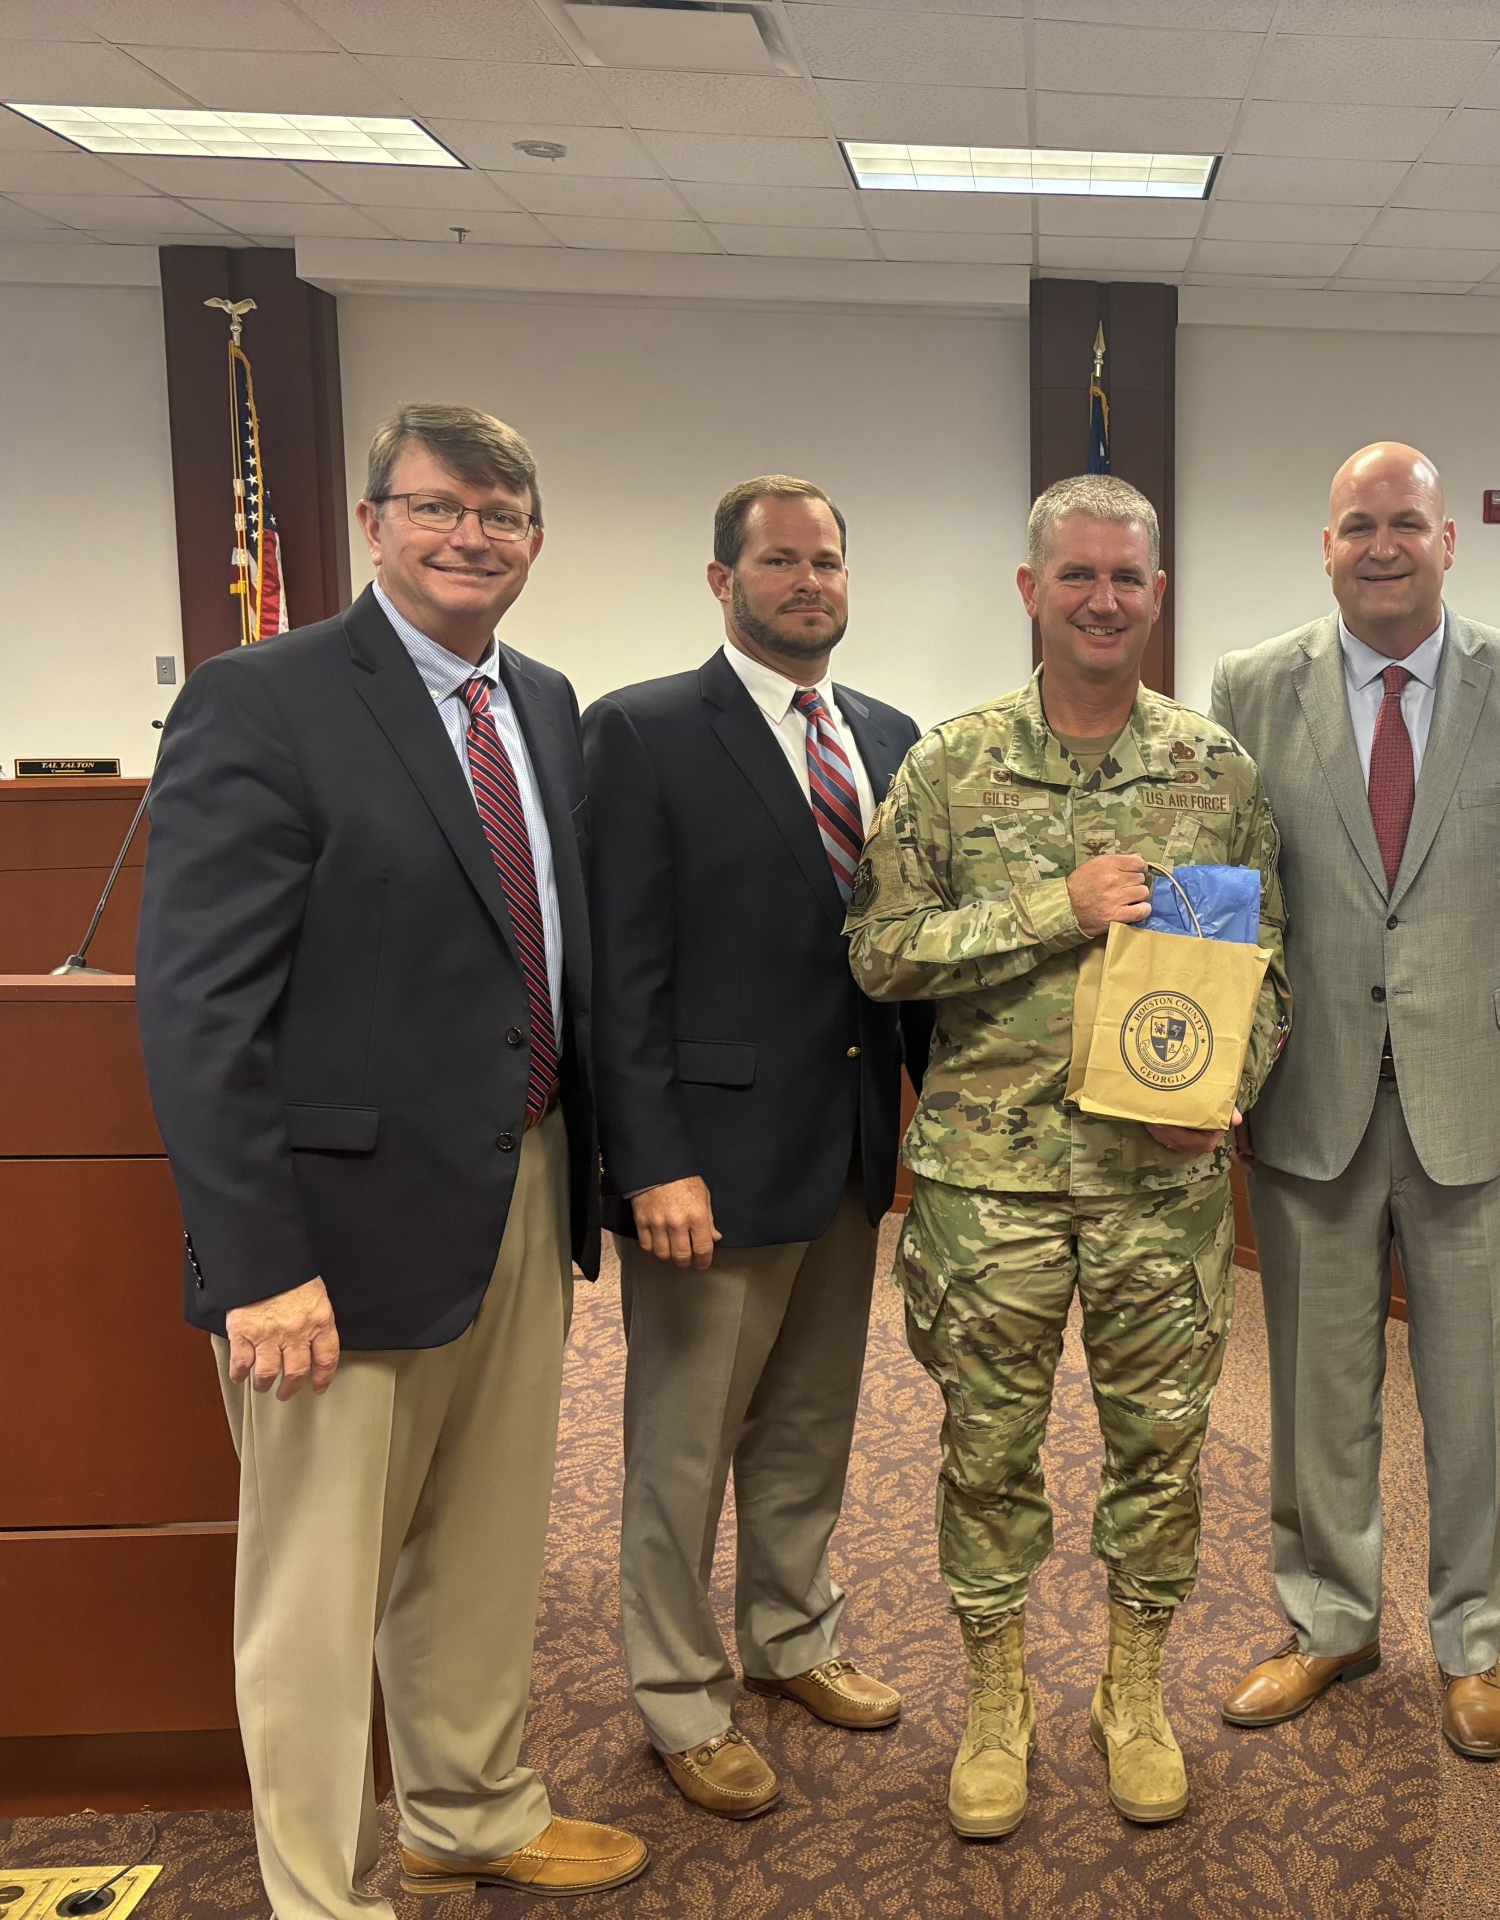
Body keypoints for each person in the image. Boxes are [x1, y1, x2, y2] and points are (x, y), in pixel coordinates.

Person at [134, 405, 647, 1916]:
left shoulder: (544, 702)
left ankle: (471, 1809)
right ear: (374, 523)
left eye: (501, 514)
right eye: (439, 508)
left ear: (537, 542)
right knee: (314, 1589)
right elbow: (198, 1013)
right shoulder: (263, 700)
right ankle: (318, 1894)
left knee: (483, 1543)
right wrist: (259, 1262)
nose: (470, 537)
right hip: (328, 1235)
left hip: (522, 1180)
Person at [845, 473, 1289, 1840]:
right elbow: (875, 952)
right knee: (988, 1452)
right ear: (1031, 590)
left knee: (1162, 1449)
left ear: (1158, 595)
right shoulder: (949, 764)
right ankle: (997, 1701)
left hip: (1162, 1185)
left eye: (1130, 580)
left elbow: (1270, 979)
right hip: (994, 1189)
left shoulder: (1214, 770)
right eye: (1080, 576)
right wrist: (1052, 907)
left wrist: (1223, 1095)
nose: (1105, 600)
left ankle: (1131, 1692)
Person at [1209, 441, 1500, 1760]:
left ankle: (1474, 1639)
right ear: (1324, 547)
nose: (1383, 546)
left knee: (1478, 1393)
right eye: (1357, 525)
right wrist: (1206, 1061)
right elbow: (1223, 886)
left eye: (1407, 525)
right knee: (1318, 1393)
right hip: (1307, 1097)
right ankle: (1328, 1622)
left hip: (1486, 1105)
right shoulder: (1249, 687)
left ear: (1451, 543)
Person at [582, 476, 932, 1820]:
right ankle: (679, 1695)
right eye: (779, 561)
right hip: (706, 1171)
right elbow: (620, 971)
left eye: (828, 561)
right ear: (720, 578)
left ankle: (791, 1637)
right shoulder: (645, 732)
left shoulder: (890, 736)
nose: (808, 584)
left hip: (847, 1152)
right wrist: (648, 1159)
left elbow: (899, 953)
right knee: (683, 1444)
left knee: (807, 1427)